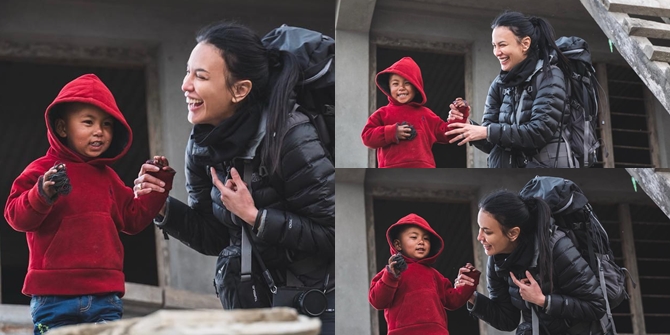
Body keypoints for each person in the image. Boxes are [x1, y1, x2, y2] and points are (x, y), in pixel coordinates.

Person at [132, 22, 335, 334]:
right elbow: (214, 236)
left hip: (313, 312)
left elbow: (339, 233)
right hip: (256, 312)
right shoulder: (202, 145)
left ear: (239, 90)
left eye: (200, 76)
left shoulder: (291, 137)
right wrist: (161, 207)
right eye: (188, 72)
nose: (185, 85)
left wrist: (256, 217)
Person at [4, 74, 175, 335]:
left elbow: (134, 219)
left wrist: (156, 185)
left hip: (105, 295)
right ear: (62, 128)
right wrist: (41, 193)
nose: (99, 131)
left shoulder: (108, 177)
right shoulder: (42, 170)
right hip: (54, 297)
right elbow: (16, 217)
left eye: (107, 125)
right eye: (88, 122)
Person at [455, 190, 606, 334]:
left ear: (513, 233)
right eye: (479, 229)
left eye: (487, 232)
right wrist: (472, 297)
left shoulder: (557, 249)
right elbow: (508, 320)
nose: (479, 237)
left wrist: (543, 301)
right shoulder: (497, 261)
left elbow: (596, 306)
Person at [446, 11, 574, 168]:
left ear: (525, 44)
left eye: (502, 45)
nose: (497, 52)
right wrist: (467, 126)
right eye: (494, 46)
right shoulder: (499, 84)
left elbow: (539, 132)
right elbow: (492, 142)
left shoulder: (550, 76)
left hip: (545, 171)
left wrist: (486, 131)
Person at [368, 213, 480, 335]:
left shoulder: (434, 275)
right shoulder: (391, 272)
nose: (421, 242)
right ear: (398, 245)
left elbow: (452, 300)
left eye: (426, 238)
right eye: (414, 237)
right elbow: (377, 301)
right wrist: (391, 275)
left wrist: (469, 282)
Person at [361, 57, 469, 168]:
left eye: (407, 83)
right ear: (389, 88)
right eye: (395, 84)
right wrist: (392, 132)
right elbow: (367, 137)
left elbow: (448, 134)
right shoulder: (382, 113)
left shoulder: (426, 114)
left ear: (416, 87)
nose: (401, 88)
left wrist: (460, 112)